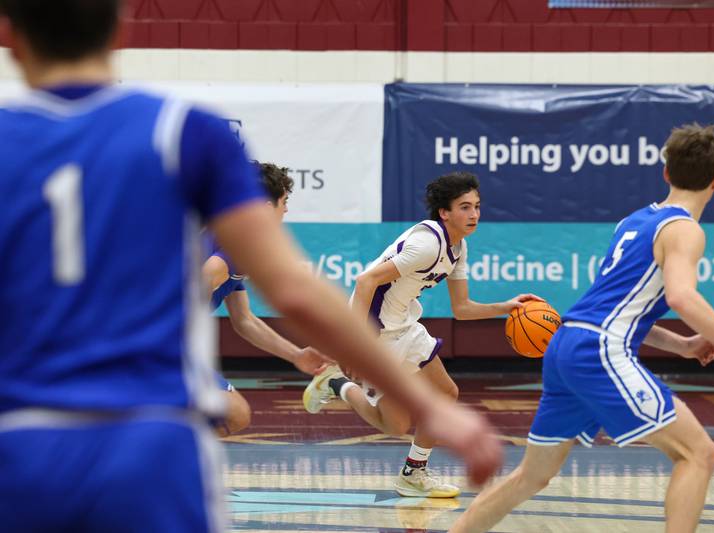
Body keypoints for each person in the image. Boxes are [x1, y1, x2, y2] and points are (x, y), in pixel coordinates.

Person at [0, 2, 503, 532]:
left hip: (21, 433)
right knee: (227, 417)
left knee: (235, 412)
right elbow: (295, 291)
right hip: (149, 428)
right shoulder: (184, 131)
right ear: (121, 31)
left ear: (9, 37)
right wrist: (429, 404)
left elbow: (245, 314)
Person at [450, 124, 714, 533]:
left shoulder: (634, 221)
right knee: (698, 454)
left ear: (666, 173)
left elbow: (616, 310)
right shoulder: (685, 229)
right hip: (597, 350)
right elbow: (681, 298)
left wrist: (683, 345)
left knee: (533, 475)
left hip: (567, 343)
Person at [303, 172, 537, 498]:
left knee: (445, 393)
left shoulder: (458, 247)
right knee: (396, 425)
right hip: (375, 333)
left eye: (477, 207)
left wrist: (507, 307)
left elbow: (462, 309)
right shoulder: (427, 245)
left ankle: (414, 472)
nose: (474, 215)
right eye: (465, 207)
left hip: (405, 325)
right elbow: (365, 281)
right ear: (445, 212)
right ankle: (336, 383)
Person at [204, 162, 330, 436]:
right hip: (151, 346)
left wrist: (296, 355)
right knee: (234, 414)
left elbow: (244, 320)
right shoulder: (239, 243)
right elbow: (197, 282)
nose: (286, 210)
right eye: (283, 202)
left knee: (234, 415)